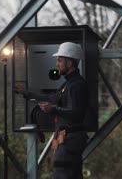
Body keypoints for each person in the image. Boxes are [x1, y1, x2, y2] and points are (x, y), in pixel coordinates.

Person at [15, 42, 88, 179]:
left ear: (70, 63)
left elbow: (76, 114)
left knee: (63, 174)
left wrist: (53, 109)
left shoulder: (77, 85)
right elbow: (51, 97)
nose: (57, 64)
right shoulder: (69, 84)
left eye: (59, 60)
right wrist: (27, 93)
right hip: (67, 138)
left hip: (69, 139)